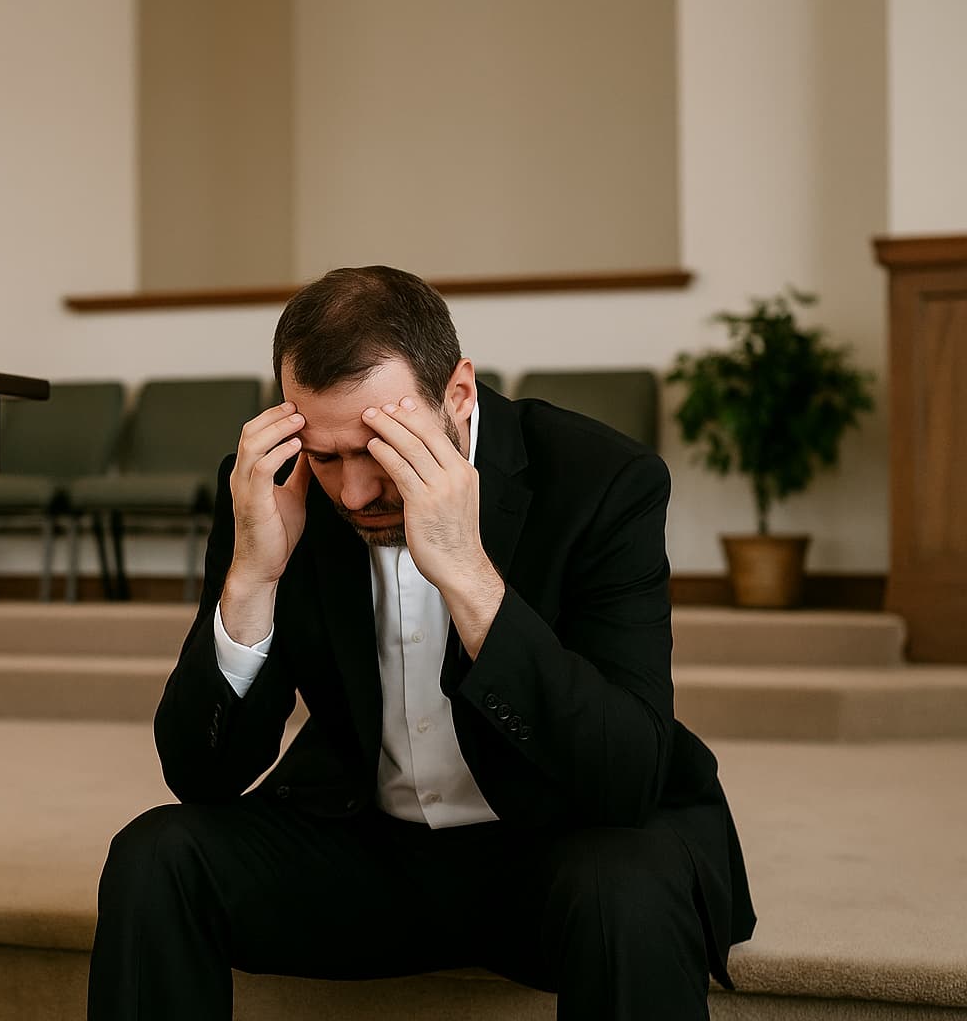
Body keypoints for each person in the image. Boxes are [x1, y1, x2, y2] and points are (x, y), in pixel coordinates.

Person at [88, 266, 755, 1020]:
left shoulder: (604, 480)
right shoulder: (272, 489)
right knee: (156, 857)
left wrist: (470, 576)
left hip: (558, 847)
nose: (353, 493)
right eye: (327, 452)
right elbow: (201, 776)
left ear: (459, 395)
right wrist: (251, 580)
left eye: (381, 447)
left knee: (630, 891)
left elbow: (623, 775)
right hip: (366, 845)